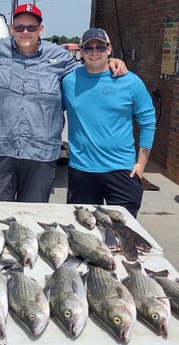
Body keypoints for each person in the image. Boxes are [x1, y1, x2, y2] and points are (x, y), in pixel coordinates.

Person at [0, 4, 126, 203]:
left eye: (31, 27)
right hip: (0, 152)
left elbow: (89, 69)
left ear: (41, 29)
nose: (25, 32)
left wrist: (109, 62)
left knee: (32, 218)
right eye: (20, 27)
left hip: (41, 154)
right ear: (12, 29)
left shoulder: (60, 56)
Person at [62, 28, 156, 217]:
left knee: (124, 231)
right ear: (82, 52)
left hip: (122, 169)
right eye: (88, 48)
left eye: (100, 47)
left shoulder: (130, 81)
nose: (94, 52)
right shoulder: (69, 81)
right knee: (85, 232)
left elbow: (147, 120)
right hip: (82, 170)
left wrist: (141, 164)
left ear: (109, 49)